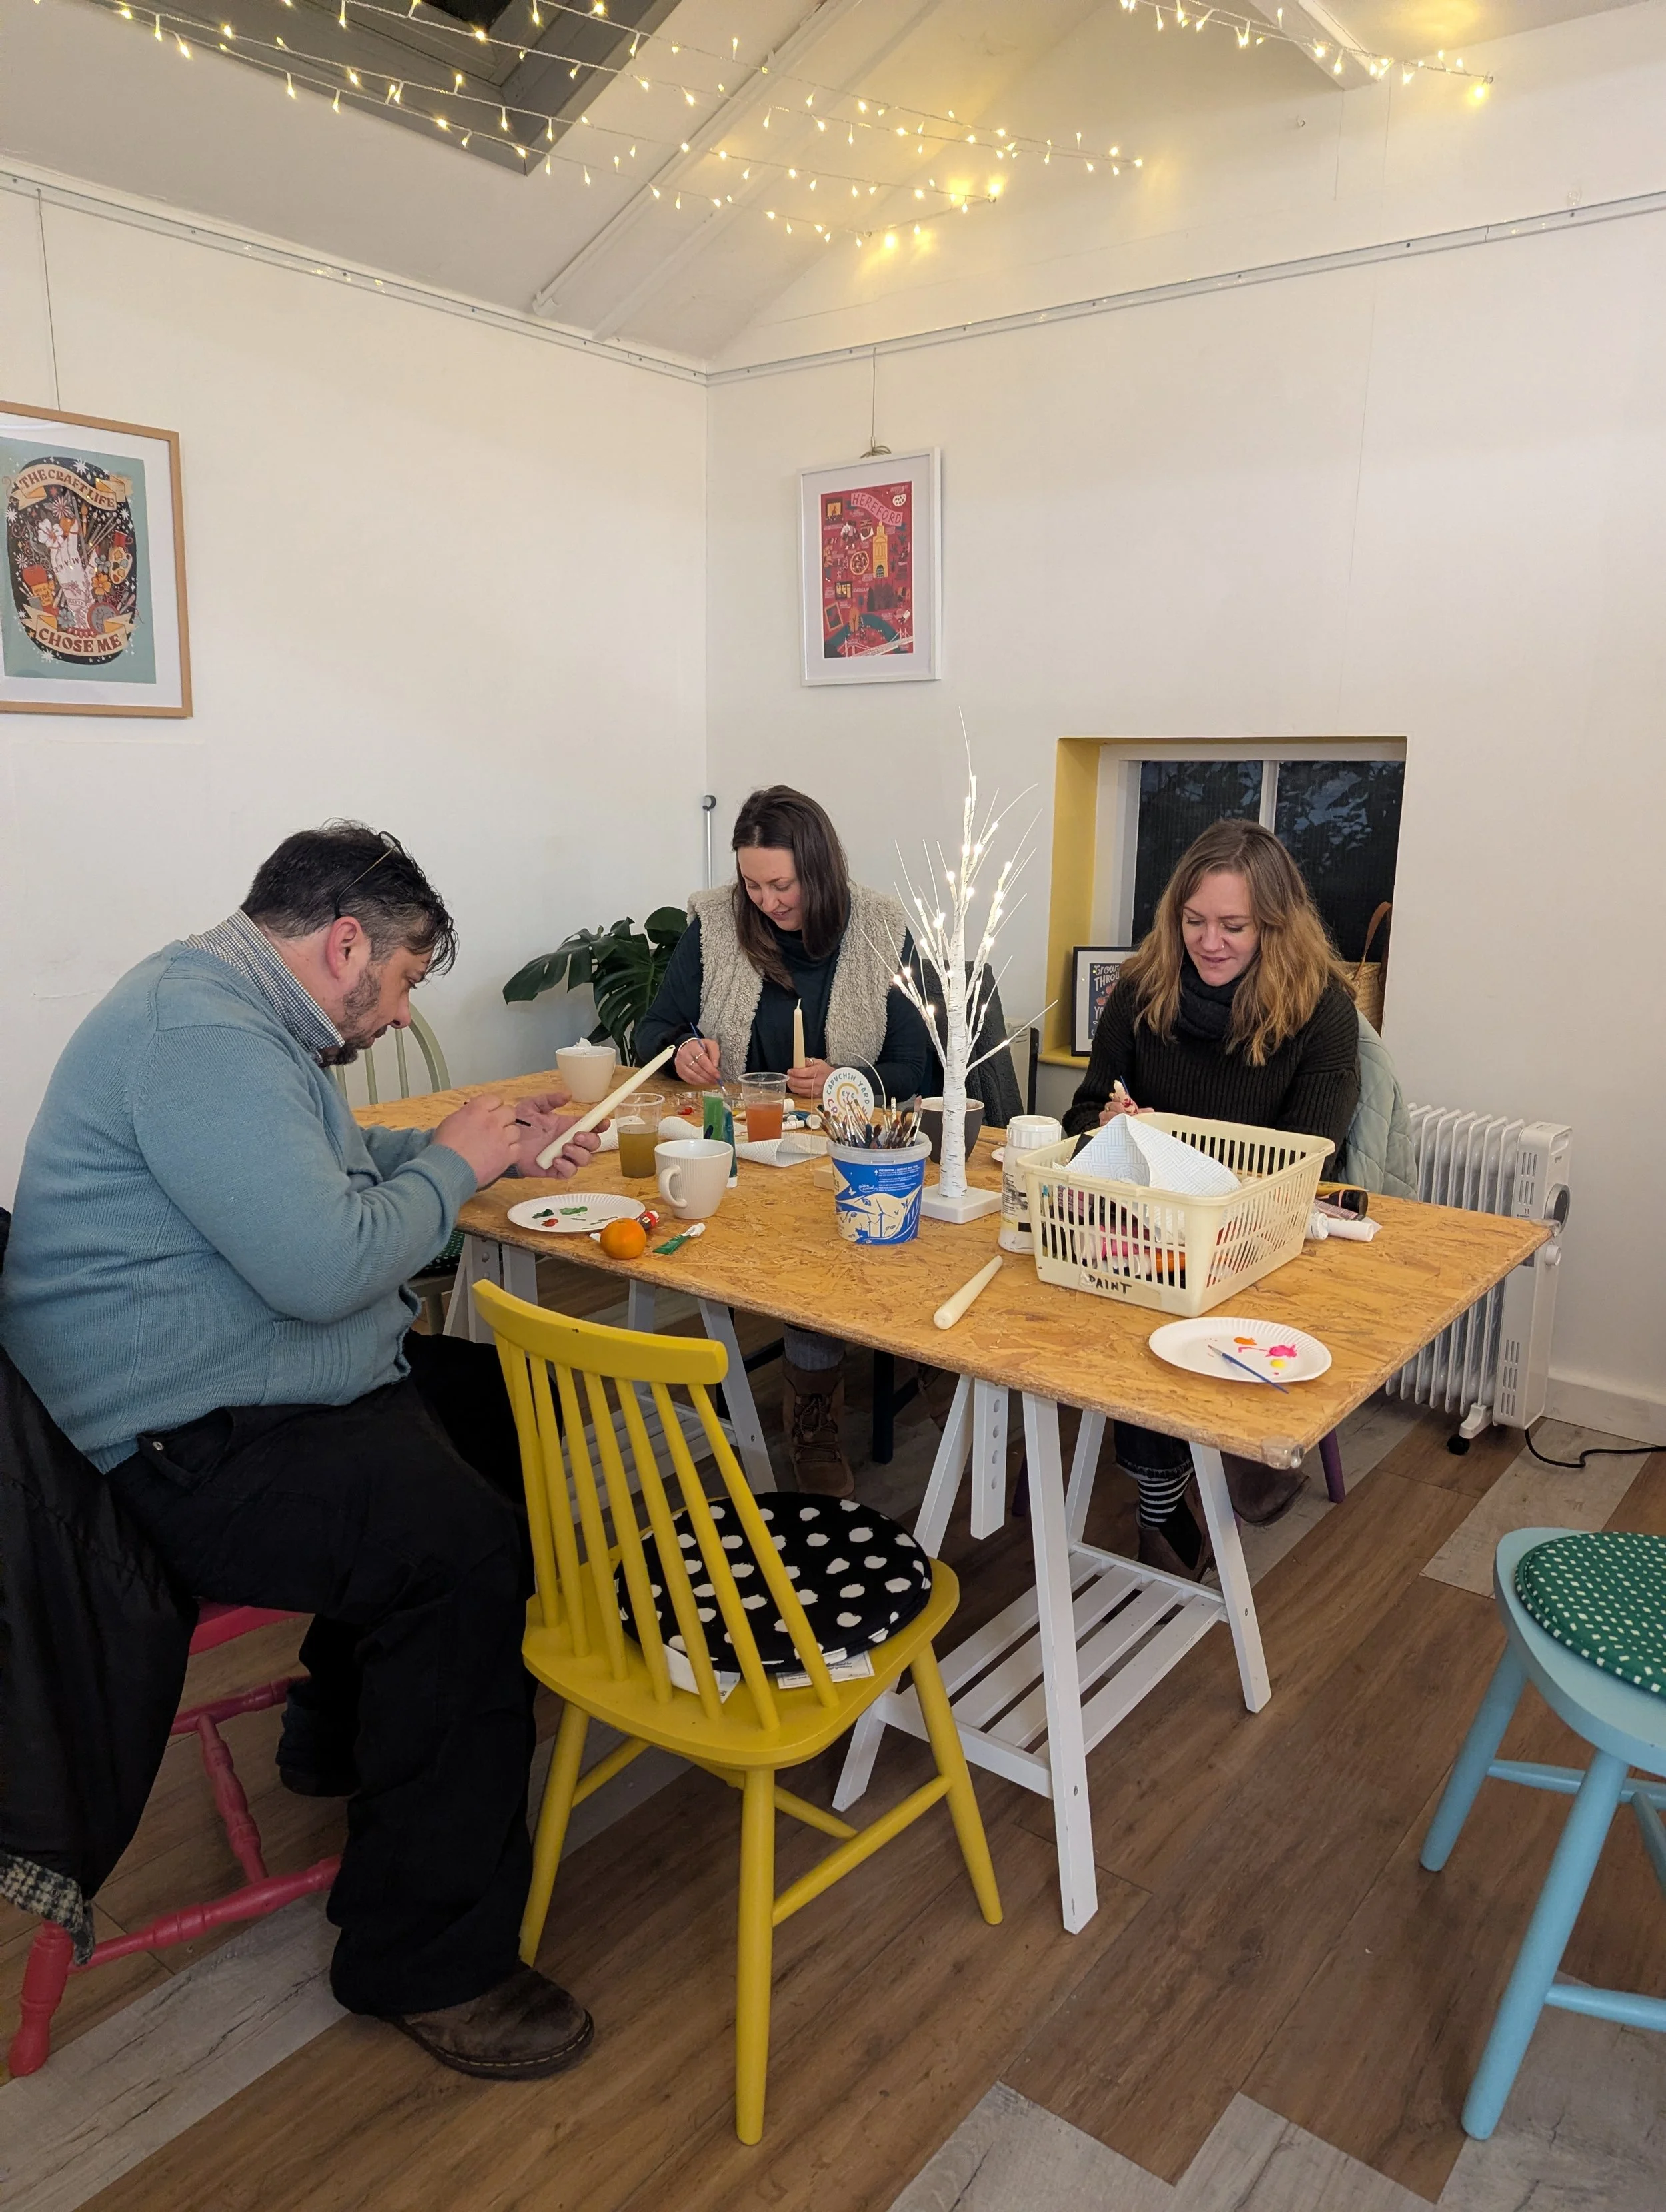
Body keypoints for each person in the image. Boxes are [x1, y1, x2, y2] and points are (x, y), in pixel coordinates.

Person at [0, 824, 604, 2083]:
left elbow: (330, 1169)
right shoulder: (200, 1035)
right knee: (464, 1553)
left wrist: (484, 1151)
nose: (399, 1013)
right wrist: (456, 1164)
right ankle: (427, 1959)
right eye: (403, 981)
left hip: (224, 1392)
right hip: (172, 1444)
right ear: (344, 947)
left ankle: (345, 1727)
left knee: (503, 1413)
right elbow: (328, 1269)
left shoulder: (231, 1008)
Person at [1063, 820, 1362, 1579]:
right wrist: (1109, 1123)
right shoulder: (1140, 988)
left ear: (1274, 926)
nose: (1209, 942)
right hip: (1148, 1228)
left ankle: (1195, 1470)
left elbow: (1306, 1158)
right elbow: (1080, 1114)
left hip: (1261, 1229)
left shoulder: (1321, 1009)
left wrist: (1189, 1172)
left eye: (1234, 926)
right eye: (1193, 921)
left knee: (1175, 1300)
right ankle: (1173, 1488)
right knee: (1139, 1289)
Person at [636, 785, 934, 1494]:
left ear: (820, 871)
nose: (765, 901)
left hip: (837, 1154)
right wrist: (683, 1051)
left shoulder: (880, 928)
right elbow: (652, 1031)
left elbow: (914, 1067)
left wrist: (845, 1077)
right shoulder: (716, 923)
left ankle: (812, 1415)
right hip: (738, 1144)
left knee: (812, 1251)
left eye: (781, 885)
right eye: (752, 884)